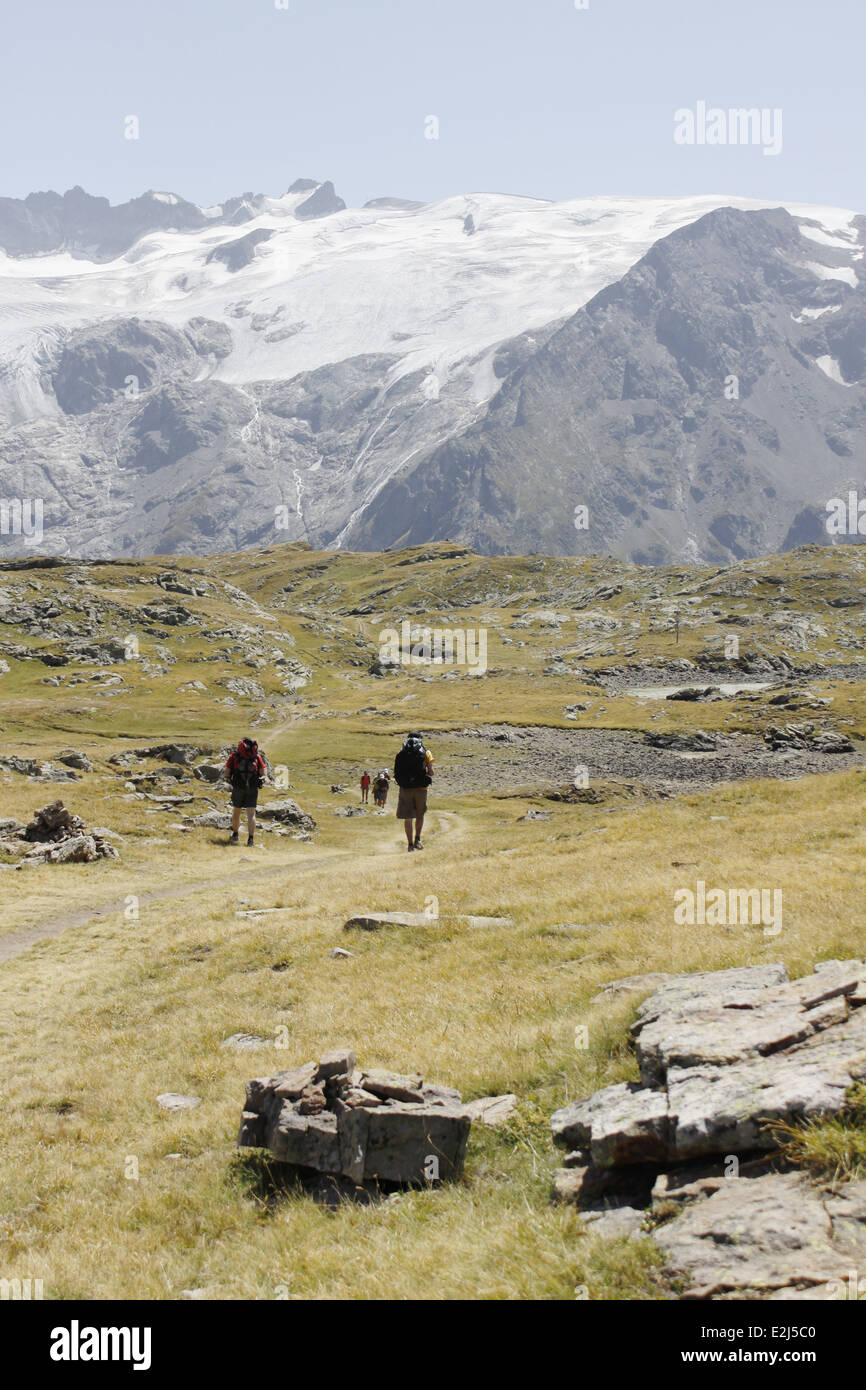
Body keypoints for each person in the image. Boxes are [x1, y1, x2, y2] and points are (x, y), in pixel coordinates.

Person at [393, 732, 433, 851]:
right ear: (420, 739)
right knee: (420, 815)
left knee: (408, 817)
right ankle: (418, 839)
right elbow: (431, 772)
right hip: (421, 788)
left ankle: (410, 845)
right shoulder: (426, 752)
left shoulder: (401, 753)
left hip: (405, 788)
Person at [225, 736, 266, 846]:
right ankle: (250, 839)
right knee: (251, 814)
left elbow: (227, 772)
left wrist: (229, 779)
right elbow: (262, 773)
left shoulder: (234, 756)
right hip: (252, 787)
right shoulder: (256, 756)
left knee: (236, 811)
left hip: (238, 786)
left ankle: (235, 835)